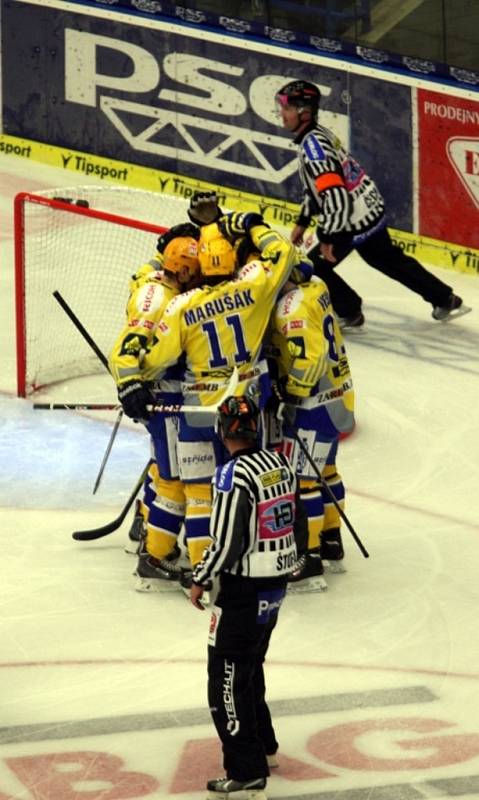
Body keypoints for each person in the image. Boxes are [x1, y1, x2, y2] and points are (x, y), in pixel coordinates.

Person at [140, 212, 299, 574]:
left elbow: (156, 360)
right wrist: (253, 225)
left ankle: (199, 570)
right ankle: (245, 553)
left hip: (196, 411)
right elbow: (285, 252)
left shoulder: (182, 306)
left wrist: (137, 382)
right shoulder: (252, 287)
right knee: (242, 483)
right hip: (239, 409)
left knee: (198, 494)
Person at [275, 79, 467, 329]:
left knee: (309, 267)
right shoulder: (318, 136)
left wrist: (328, 236)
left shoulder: (314, 149)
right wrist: (303, 220)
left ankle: (350, 310)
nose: (282, 114)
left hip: (349, 219)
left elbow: (335, 195)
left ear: (305, 112)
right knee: (387, 259)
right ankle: (445, 298)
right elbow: (320, 189)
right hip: (368, 210)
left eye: (287, 109)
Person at [189, 395, 307, 799]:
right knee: (250, 664)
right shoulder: (280, 464)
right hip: (276, 585)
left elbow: (226, 543)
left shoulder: (231, 476)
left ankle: (246, 770)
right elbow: (301, 518)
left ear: (223, 433)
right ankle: (265, 746)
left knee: (225, 678)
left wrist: (200, 577)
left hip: (243, 591)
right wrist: (296, 559)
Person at [109, 231, 202, 590]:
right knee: (173, 478)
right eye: (191, 271)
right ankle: (155, 556)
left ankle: (150, 533)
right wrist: (130, 384)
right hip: (164, 394)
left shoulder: (162, 281)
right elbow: (127, 348)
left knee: (166, 470)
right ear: (178, 270)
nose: (197, 278)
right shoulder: (156, 299)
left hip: (171, 395)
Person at [269, 272, 354, 586]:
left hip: (313, 403)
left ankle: (310, 556)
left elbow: (311, 358)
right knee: (327, 471)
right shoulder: (316, 285)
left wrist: (291, 391)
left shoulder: (289, 310)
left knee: (303, 481)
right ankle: (332, 539)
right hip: (338, 391)